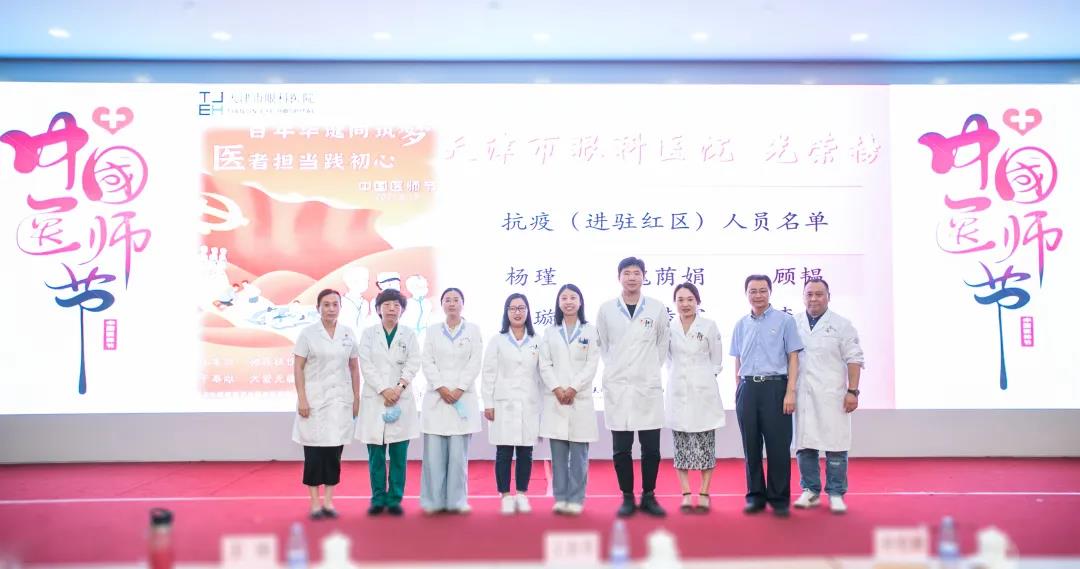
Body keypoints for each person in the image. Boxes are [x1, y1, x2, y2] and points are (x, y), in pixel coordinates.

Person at [597, 257, 669, 517]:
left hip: (647, 386)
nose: (631, 277)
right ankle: (627, 496)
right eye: (626, 273)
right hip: (619, 387)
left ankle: (649, 495)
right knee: (621, 448)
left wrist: (646, 370)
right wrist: (618, 370)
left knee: (651, 448)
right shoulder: (606, 309)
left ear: (643, 276)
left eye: (636, 273)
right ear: (619, 277)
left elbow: (662, 344)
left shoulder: (657, 308)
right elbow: (603, 345)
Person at [730, 274, 804, 517]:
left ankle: (779, 499)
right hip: (748, 389)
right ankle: (755, 497)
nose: (758, 295)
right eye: (753, 291)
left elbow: (793, 357)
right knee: (751, 447)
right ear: (746, 294)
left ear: (770, 292)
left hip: (775, 388)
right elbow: (738, 358)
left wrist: (790, 391)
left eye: (763, 290)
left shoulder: (785, 321)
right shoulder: (741, 324)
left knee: (778, 447)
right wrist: (738, 387)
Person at [792, 277, 864, 514]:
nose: (814, 299)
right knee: (805, 444)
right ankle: (810, 491)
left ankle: (836, 492)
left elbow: (854, 358)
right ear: (803, 297)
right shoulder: (794, 323)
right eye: (809, 294)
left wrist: (852, 391)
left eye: (819, 294)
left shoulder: (842, 325)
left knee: (836, 445)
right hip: (803, 394)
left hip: (833, 395)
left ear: (828, 297)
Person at [292, 288, 360, 520]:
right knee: (313, 455)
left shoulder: (348, 333)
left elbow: (354, 368)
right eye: (326, 305)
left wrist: (356, 397)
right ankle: (314, 503)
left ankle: (329, 503)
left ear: (340, 306)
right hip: (314, 401)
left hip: (340, 401)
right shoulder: (308, 334)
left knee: (334, 454)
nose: (331, 308)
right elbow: (298, 367)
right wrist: (302, 398)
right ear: (318, 308)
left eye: (335, 304)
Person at [356, 288, 421, 516]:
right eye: (386, 305)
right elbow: (366, 365)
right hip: (376, 398)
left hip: (401, 397)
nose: (391, 309)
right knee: (375, 456)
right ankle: (378, 498)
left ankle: (394, 499)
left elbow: (413, 363)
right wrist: (384, 389)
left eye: (396, 305)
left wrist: (398, 388)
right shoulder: (368, 334)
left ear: (402, 310)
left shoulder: (409, 335)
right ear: (378, 309)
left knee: (399, 456)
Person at [419, 287, 483, 515]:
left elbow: (475, 362)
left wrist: (459, 388)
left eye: (456, 300)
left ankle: (457, 501)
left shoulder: (473, 330)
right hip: (437, 398)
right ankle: (433, 502)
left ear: (463, 304)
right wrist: (441, 387)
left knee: (458, 457)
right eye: (448, 300)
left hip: (462, 399)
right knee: (433, 457)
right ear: (442, 305)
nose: (452, 303)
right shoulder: (432, 331)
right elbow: (427, 361)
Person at [539, 284, 600, 516]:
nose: (568, 302)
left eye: (573, 297)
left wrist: (573, 388)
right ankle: (561, 498)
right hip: (556, 399)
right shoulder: (550, 332)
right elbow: (544, 364)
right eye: (564, 298)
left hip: (579, 398)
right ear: (559, 303)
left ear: (580, 301)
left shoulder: (590, 331)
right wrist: (557, 388)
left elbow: (592, 364)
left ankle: (576, 498)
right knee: (558, 455)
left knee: (579, 456)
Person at [665, 282, 725, 514]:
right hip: (678, 391)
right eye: (680, 299)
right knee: (681, 446)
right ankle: (686, 493)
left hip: (703, 392)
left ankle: (704, 493)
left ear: (697, 301)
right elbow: (668, 359)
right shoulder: (669, 327)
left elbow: (716, 361)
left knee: (705, 446)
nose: (685, 304)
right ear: (675, 303)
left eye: (690, 299)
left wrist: (704, 379)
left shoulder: (709, 326)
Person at [482, 293, 542, 515]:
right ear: (506, 312)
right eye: (513, 308)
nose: (517, 312)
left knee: (526, 451)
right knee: (504, 452)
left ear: (528, 312)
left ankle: (522, 494)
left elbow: (543, 373)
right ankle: (506, 495)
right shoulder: (497, 340)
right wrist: (488, 403)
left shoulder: (537, 340)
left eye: (521, 308)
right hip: (503, 403)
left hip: (529, 402)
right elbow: (488, 373)